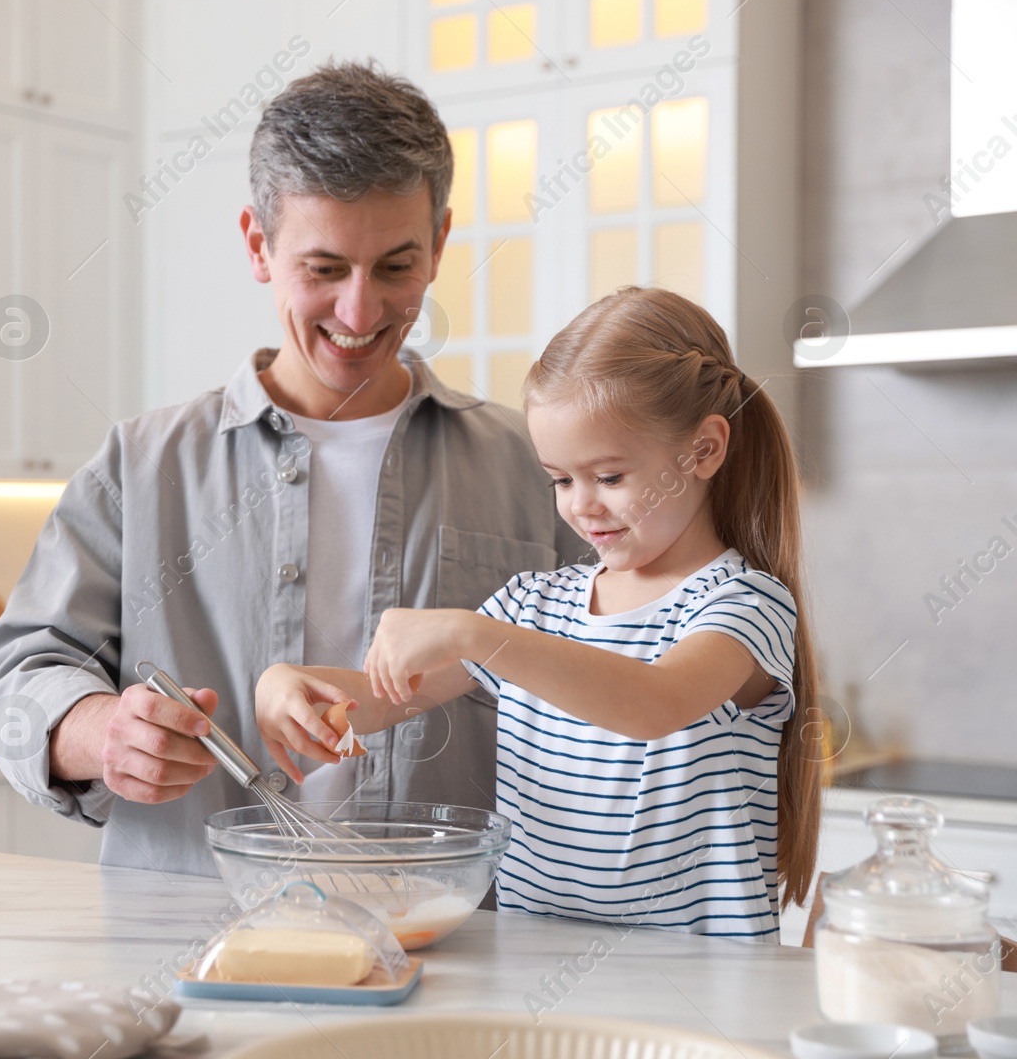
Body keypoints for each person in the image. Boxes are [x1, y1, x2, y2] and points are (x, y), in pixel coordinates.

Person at [0, 61, 583, 877]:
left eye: (396, 267)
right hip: (190, 946)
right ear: (258, 245)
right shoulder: (141, 463)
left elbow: (625, 669)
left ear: (440, 244)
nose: (361, 313)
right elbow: (21, 674)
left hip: (457, 948)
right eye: (325, 269)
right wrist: (98, 731)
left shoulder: (534, 468)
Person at [256, 286, 822, 939]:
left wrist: (473, 631)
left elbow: (653, 702)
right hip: (532, 973)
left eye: (609, 476)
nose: (581, 505)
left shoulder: (742, 605)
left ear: (704, 450)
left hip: (700, 990)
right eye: (560, 478)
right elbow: (382, 700)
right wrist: (291, 687)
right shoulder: (534, 605)